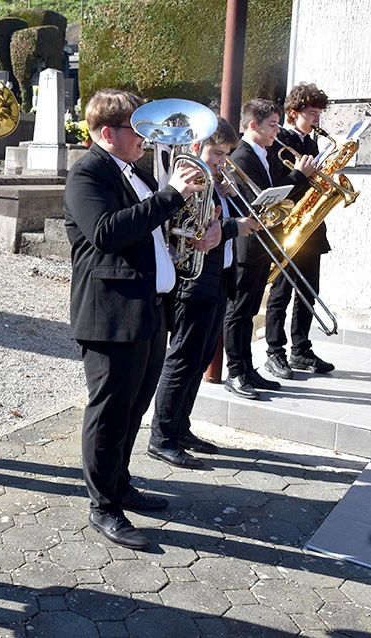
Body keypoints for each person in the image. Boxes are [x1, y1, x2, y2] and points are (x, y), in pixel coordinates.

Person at [63, 89, 203, 550]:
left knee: (133, 408)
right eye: (137, 129)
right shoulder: (88, 172)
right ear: (109, 133)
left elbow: (150, 230)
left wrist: (192, 224)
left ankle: (119, 483)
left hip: (147, 309)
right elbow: (107, 232)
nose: (147, 137)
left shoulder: (133, 172)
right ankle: (103, 506)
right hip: (110, 314)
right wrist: (170, 195)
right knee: (108, 413)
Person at [148, 118, 261, 469]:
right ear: (196, 148)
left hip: (217, 278)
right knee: (182, 359)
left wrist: (228, 202)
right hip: (193, 282)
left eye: (226, 154)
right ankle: (162, 437)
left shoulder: (212, 184)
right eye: (215, 153)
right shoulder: (187, 181)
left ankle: (181, 428)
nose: (221, 161)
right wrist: (235, 226)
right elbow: (193, 236)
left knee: (198, 361)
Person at [223, 98, 316, 400]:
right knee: (238, 312)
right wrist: (299, 177)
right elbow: (249, 201)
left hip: (263, 243)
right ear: (254, 126)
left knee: (250, 311)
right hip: (247, 245)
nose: (278, 131)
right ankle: (235, 372)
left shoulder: (264, 153)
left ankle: (248, 370)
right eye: (273, 125)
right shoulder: (242, 156)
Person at [263, 83, 335, 379]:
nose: (317, 118)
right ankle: (274, 351)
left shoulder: (312, 142)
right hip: (286, 228)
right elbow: (277, 187)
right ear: (294, 113)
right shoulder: (279, 141)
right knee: (281, 292)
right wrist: (302, 174)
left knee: (309, 290)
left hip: (311, 227)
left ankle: (301, 349)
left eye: (319, 113)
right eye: (312, 113)